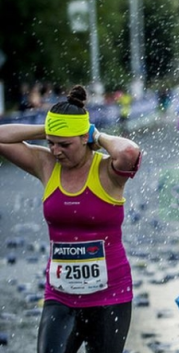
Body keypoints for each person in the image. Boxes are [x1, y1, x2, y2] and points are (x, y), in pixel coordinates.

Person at [0, 85, 142, 353]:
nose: (56, 151)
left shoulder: (106, 170)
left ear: (84, 138)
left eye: (65, 144)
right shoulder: (46, 164)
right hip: (60, 296)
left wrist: (96, 135)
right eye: (51, 144)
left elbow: (128, 153)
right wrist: (46, 129)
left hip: (110, 296)